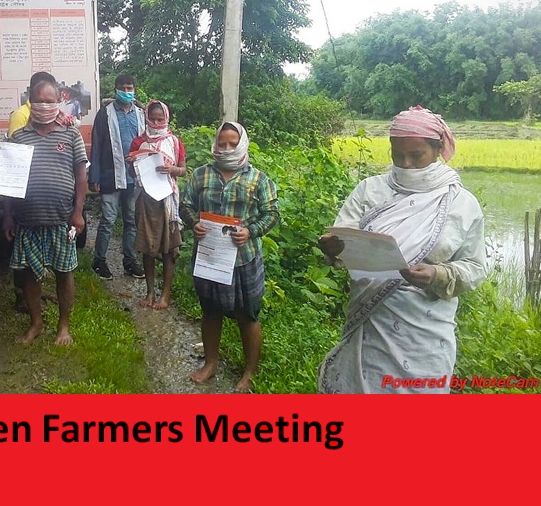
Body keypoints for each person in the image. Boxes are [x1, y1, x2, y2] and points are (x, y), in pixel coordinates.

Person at [317, 105, 486, 394]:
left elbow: (475, 267)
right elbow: (343, 239)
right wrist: (333, 248)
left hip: (425, 337)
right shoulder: (369, 190)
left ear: (437, 150)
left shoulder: (461, 203)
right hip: (371, 326)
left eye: (416, 156)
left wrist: (437, 274)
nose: (405, 164)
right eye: (398, 155)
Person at [180, 122, 280, 393]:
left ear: (242, 144)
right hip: (209, 257)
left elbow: (272, 213)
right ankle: (210, 363)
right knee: (210, 311)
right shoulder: (201, 175)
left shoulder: (257, 179)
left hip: (243, 260)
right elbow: (185, 204)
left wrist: (251, 231)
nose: (226, 149)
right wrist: (193, 223)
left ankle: (249, 372)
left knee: (247, 315)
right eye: (221, 144)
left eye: (232, 143)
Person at [3, 79, 87, 345]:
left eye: (50, 101)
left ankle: (63, 326)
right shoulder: (18, 137)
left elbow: (81, 175)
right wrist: (7, 214)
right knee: (28, 273)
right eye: (39, 100)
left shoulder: (71, 134)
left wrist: (78, 212)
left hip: (62, 219)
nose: (44, 105)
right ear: (31, 101)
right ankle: (36, 323)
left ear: (58, 101)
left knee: (65, 272)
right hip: (27, 220)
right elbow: (8, 179)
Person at [127, 100, 186, 309]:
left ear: (166, 118)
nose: (156, 122)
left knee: (169, 249)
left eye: (160, 119)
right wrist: (132, 163)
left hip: (167, 202)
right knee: (147, 248)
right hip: (145, 200)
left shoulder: (174, 142)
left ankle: (165, 296)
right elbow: (134, 173)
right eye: (152, 118)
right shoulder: (138, 143)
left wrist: (172, 170)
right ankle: (150, 293)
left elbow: (183, 169)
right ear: (146, 118)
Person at [89, 74, 146, 280]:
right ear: (115, 90)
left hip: (134, 178)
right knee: (108, 220)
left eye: (130, 87)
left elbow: (148, 144)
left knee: (131, 220)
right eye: (122, 87)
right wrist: (94, 175)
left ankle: (129, 261)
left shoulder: (141, 114)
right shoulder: (104, 114)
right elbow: (97, 145)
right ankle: (99, 261)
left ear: (135, 89)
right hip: (110, 175)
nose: (126, 91)